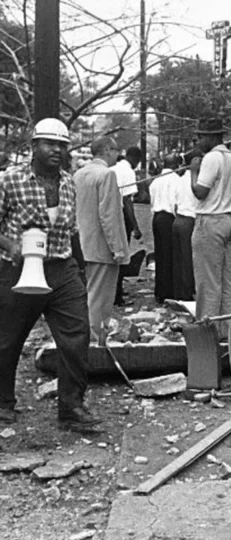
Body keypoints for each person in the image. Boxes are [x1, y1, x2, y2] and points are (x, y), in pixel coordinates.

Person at [0, 118, 101, 431]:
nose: (57, 150)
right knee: (7, 339)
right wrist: (11, 244)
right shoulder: (10, 180)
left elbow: (71, 230)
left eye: (62, 145)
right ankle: (3, 402)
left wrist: (80, 269)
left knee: (76, 334)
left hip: (60, 267)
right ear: (34, 146)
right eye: (50, 144)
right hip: (18, 270)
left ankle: (71, 407)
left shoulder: (68, 182)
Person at [74, 136, 130, 341]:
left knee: (85, 295)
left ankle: (83, 336)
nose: (117, 155)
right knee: (100, 300)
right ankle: (94, 340)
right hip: (101, 247)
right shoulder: (107, 175)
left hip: (81, 245)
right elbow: (109, 215)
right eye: (116, 151)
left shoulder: (78, 174)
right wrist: (117, 248)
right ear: (107, 150)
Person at [191, 118, 231, 336]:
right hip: (230, 220)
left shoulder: (211, 158)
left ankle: (206, 332)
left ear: (212, 137)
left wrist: (194, 170)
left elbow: (200, 191)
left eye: (201, 136)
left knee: (208, 281)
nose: (198, 140)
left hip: (210, 221)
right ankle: (228, 331)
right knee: (228, 280)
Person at [110, 146, 143, 306]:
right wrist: (135, 226)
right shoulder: (128, 172)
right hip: (122, 216)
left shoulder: (113, 169)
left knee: (113, 254)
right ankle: (117, 295)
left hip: (111, 215)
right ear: (135, 159)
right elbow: (127, 201)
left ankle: (115, 290)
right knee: (122, 255)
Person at [150, 154, 180, 303]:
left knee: (160, 254)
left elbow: (151, 200)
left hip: (156, 217)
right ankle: (168, 291)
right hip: (169, 218)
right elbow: (176, 203)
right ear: (176, 165)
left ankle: (159, 290)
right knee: (170, 256)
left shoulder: (155, 181)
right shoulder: (176, 180)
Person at [172, 158, 198, 301]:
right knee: (188, 259)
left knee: (178, 259)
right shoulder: (196, 182)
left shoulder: (180, 180)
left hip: (178, 219)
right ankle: (187, 293)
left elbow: (175, 203)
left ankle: (178, 292)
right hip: (189, 219)